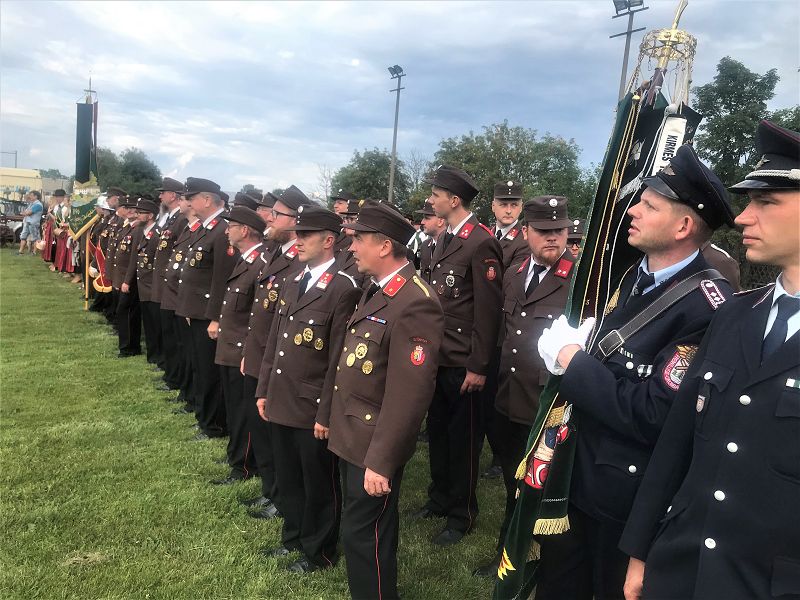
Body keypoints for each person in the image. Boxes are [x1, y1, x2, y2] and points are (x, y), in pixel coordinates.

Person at [533, 144, 736, 600]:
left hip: (623, 497)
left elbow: (650, 413)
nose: (634, 211)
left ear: (683, 227)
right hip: (578, 471)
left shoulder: (706, 307)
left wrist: (572, 359)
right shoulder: (633, 276)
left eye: (650, 206)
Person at [620, 120, 800, 600]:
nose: (743, 218)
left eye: (766, 202)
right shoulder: (736, 313)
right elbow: (677, 442)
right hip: (682, 567)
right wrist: (640, 550)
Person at [327, 201, 443, 599]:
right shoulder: (377, 289)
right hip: (355, 431)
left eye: (358, 239)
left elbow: (410, 394)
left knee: (365, 534)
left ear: (384, 246)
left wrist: (381, 459)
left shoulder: (415, 301)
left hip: (373, 442)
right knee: (362, 529)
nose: (351, 247)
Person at [473, 195, 577, 577]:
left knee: (543, 491)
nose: (553, 237)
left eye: (559, 230)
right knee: (512, 484)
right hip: (509, 398)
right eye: (544, 231)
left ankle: (531, 560)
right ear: (526, 232)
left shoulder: (579, 280)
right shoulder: (515, 273)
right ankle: (512, 554)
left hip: (548, 407)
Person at [256, 205, 360, 573]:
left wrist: (325, 412)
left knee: (318, 482)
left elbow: (337, 360)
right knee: (289, 476)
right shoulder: (293, 279)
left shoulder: (343, 289)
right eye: (297, 234)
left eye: (306, 235)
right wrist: (264, 388)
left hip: (311, 402)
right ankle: (294, 538)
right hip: (282, 395)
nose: (297, 241)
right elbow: (275, 341)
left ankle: (319, 552)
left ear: (329, 240)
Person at [412, 165, 504, 546]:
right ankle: (439, 498)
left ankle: (461, 514)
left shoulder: (480, 242)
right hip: (439, 357)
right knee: (438, 434)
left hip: (465, 364)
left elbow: (488, 311)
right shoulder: (441, 239)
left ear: (453, 200)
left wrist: (479, 366)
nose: (430, 200)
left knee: (463, 442)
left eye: (435, 195)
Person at [239, 185, 311, 517]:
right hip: (261, 353)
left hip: (279, 359)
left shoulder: (300, 259)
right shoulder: (276, 251)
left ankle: (281, 497)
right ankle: (271, 490)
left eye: (277, 214)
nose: (269, 217)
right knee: (262, 431)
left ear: (295, 220)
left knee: (275, 435)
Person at [176, 178, 238, 440]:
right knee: (199, 368)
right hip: (196, 310)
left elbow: (222, 279)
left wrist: (215, 317)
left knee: (209, 372)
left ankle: (213, 424)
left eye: (193, 198)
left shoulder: (222, 230)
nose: (189, 202)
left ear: (208, 199)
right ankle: (203, 416)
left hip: (207, 313)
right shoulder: (205, 228)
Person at [213, 206, 266, 484]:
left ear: (245, 230)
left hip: (241, 350)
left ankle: (244, 465)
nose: (227, 231)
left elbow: (257, 315)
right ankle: (236, 454)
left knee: (243, 411)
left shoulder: (260, 263)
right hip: (230, 346)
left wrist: (248, 351)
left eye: (231, 226)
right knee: (234, 407)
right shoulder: (246, 260)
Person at [151, 178, 186, 391]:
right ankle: (170, 373)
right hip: (164, 283)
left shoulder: (180, 220)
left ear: (173, 195)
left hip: (172, 286)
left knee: (174, 337)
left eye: (163, 192)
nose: (160, 196)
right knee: (168, 334)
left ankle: (174, 378)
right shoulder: (171, 219)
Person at [132, 197, 163, 367]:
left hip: (152, 287)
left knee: (156, 325)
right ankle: (152, 355)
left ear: (150, 216)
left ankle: (158, 356)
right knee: (149, 324)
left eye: (140, 212)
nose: (137, 215)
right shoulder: (144, 232)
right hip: (144, 286)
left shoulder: (157, 235)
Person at [112, 197, 140, 356]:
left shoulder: (138, 230)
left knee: (127, 312)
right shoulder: (128, 228)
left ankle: (129, 347)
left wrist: (127, 280)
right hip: (123, 276)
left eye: (133, 208)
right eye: (127, 208)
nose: (129, 211)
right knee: (123, 312)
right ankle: (126, 345)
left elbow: (134, 258)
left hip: (130, 279)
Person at [492, 181, 529, 269]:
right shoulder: (485, 234)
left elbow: (514, 276)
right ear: (493, 206)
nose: (508, 211)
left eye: (514, 205)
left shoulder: (525, 240)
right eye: (503, 205)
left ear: (521, 208)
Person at [415, 200, 446, 284]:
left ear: (440, 221)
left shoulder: (452, 245)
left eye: (427, 218)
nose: (422, 222)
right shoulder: (425, 246)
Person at [18, 191, 44, 255]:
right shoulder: (32, 204)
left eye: (31, 195)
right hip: (27, 222)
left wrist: (25, 213)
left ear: (36, 196)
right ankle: (20, 251)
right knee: (23, 237)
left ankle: (34, 252)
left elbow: (28, 213)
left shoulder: (38, 205)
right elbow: (26, 211)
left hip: (33, 224)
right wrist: (25, 213)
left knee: (35, 238)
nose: (30, 197)